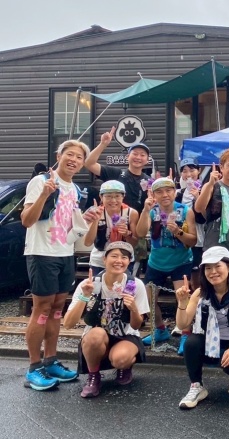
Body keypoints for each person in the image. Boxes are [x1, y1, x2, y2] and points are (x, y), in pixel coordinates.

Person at [21, 140, 97, 391]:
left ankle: (51, 360)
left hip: (65, 253)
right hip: (42, 253)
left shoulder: (75, 189)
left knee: (56, 309)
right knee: (41, 308)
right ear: (59, 156)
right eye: (69, 154)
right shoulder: (42, 181)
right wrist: (45, 194)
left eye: (79, 157)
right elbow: (27, 220)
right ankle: (34, 367)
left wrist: (85, 219)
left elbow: (68, 226)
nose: (73, 160)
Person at [175, 246, 229, 409]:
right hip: (210, 341)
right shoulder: (200, 293)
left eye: (218, 266)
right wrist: (182, 302)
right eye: (208, 268)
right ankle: (196, 386)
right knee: (190, 343)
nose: (213, 272)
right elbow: (182, 324)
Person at [63, 241, 149, 398]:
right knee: (96, 334)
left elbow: (137, 325)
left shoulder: (134, 284)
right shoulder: (90, 284)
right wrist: (85, 296)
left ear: (129, 261)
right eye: (114, 256)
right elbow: (68, 323)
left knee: (121, 359)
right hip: (97, 335)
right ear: (104, 259)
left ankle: (124, 366)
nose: (119, 261)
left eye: (124, 257)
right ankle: (93, 376)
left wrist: (133, 308)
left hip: (125, 334)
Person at [135, 177, 196, 345]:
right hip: (156, 262)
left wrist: (178, 232)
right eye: (160, 192)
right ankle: (160, 329)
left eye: (168, 190)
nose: (165, 195)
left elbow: (193, 241)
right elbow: (140, 233)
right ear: (153, 194)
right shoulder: (152, 211)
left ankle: (185, 333)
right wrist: (145, 210)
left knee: (182, 297)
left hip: (181, 261)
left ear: (175, 192)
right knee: (148, 299)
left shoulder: (185, 211)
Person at [85, 127, 152, 267]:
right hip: (107, 225)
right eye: (135, 153)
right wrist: (103, 144)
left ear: (147, 160)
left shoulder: (149, 182)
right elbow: (89, 163)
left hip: (133, 229)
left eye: (142, 155)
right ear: (127, 157)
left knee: (132, 269)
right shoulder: (116, 173)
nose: (138, 157)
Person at [194, 148, 229, 283]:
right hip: (214, 244)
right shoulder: (212, 187)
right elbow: (199, 208)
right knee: (213, 283)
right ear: (221, 167)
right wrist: (210, 183)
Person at [83, 180, 139, 276]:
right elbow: (87, 243)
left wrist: (127, 234)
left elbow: (134, 243)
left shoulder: (131, 213)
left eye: (117, 196)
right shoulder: (95, 212)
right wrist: (95, 220)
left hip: (123, 260)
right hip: (100, 260)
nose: (113, 200)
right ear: (101, 197)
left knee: (124, 285)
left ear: (123, 196)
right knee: (98, 285)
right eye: (108, 196)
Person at [175, 158, 204, 292]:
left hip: (200, 238)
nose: (188, 174)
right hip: (182, 237)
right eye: (185, 171)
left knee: (198, 272)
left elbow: (206, 217)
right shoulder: (179, 193)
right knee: (185, 272)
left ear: (199, 171)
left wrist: (198, 197)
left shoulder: (205, 190)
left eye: (192, 170)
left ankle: (198, 298)